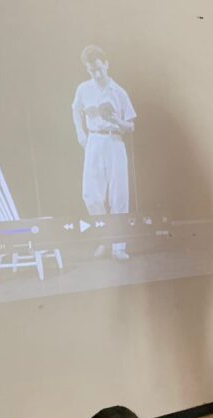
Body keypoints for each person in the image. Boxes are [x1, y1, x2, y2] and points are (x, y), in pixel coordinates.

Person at [72, 44, 135, 259]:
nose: (97, 74)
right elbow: (75, 109)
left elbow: (131, 126)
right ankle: (105, 238)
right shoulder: (83, 89)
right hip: (94, 141)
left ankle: (119, 247)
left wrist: (116, 120)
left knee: (119, 195)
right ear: (87, 69)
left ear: (106, 64)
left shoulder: (119, 92)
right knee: (90, 195)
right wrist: (81, 134)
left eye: (99, 69)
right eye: (92, 70)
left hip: (114, 141)